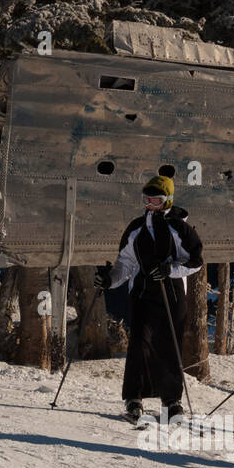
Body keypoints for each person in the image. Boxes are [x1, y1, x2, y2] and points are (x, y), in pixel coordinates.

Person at [96, 173, 203, 423]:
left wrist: (170, 269)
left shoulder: (180, 228)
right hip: (143, 292)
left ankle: (171, 402)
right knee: (139, 345)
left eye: (155, 200)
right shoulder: (136, 228)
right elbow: (125, 262)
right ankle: (134, 399)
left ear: (167, 201)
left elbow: (195, 262)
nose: (149, 205)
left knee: (170, 345)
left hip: (173, 293)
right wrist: (110, 280)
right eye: (146, 200)